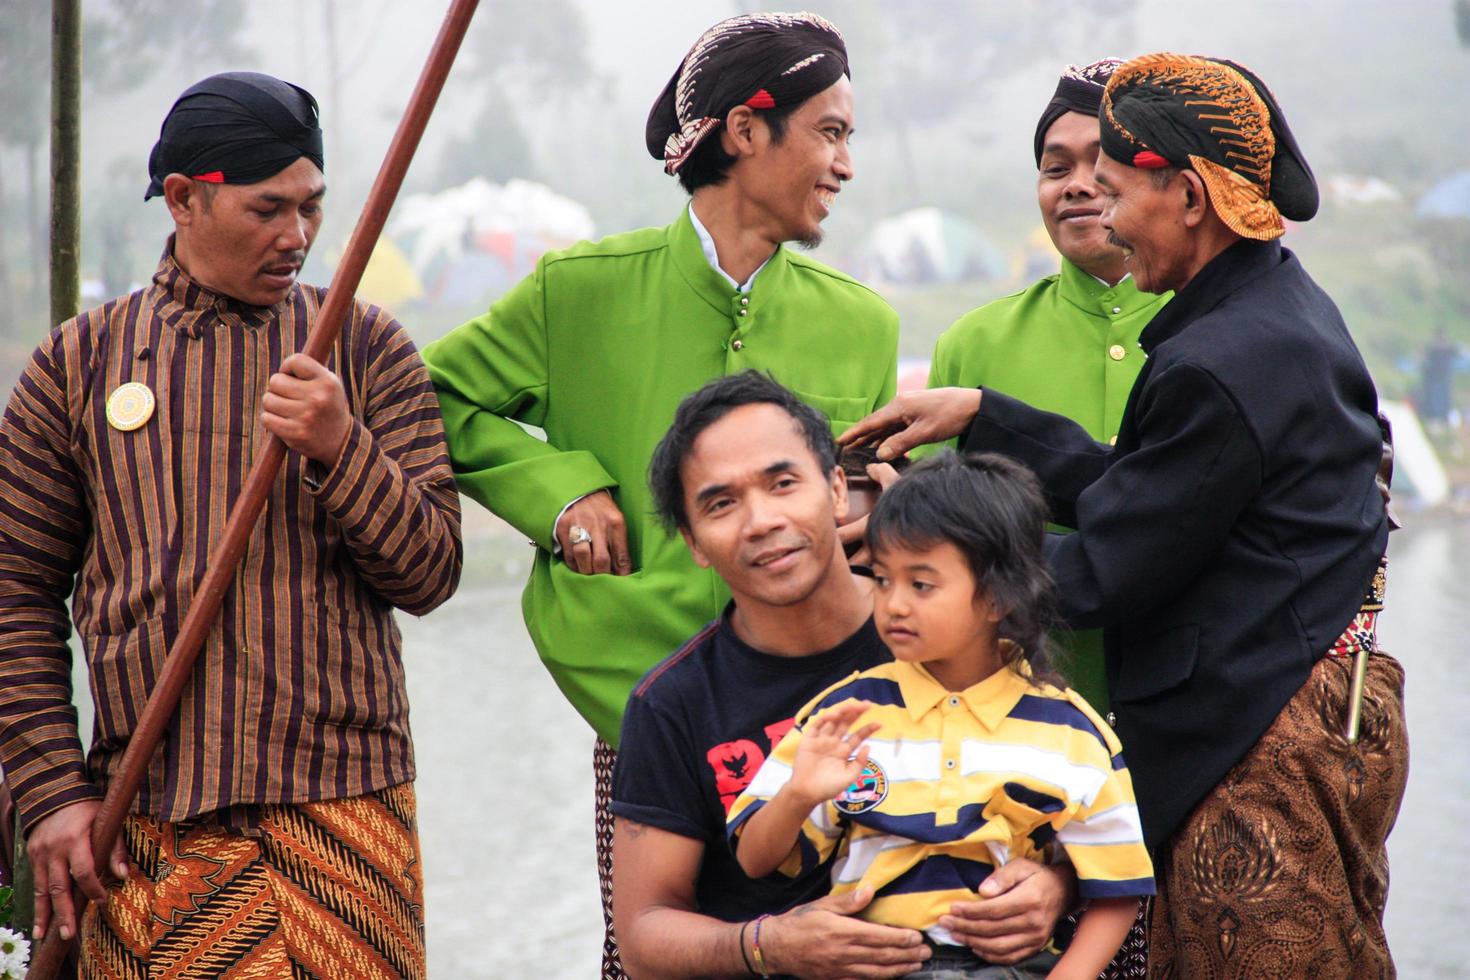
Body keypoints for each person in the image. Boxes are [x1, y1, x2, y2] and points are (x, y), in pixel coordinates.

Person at [840, 54, 1408, 977]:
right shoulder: (1276, 307)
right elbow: (1158, 494)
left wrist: (920, 564)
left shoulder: (1221, 361)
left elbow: (1109, 565)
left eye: (1113, 191)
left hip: (1261, 737)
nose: (1101, 215)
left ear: (1187, 194)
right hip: (1321, 705)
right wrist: (987, 416)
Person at [420, 13, 898, 976]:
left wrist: (876, 501)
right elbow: (430, 393)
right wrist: (561, 493)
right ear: (745, 131)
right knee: (655, 956)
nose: (846, 163)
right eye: (830, 133)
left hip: (838, 733)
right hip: (648, 723)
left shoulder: (863, 322)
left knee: (866, 947)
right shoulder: (579, 290)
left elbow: (877, 506)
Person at [0, 72, 461, 979]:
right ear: (183, 200)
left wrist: (340, 445)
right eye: (268, 209)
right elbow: (13, 600)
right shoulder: (75, 366)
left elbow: (432, 572)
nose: (296, 237)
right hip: (151, 821)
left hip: (348, 816)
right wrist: (53, 794)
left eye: (313, 208)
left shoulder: (364, 347)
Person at [612, 373, 1075, 979]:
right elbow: (644, 934)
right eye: (720, 504)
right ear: (694, 542)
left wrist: (1054, 889)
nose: (761, 521)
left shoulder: (961, 635)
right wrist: (768, 945)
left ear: (835, 487)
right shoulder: (672, 703)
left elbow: (1085, 817)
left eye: (783, 483)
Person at [729, 452, 1153, 979]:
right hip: (864, 966)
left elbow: (1119, 886)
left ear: (999, 597)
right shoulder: (845, 713)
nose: (894, 605)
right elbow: (754, 860)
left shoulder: (1071, 731)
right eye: (883, 580)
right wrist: (798, 794)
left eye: (921, 584)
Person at [927, 57, 1169, 719]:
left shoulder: (1218, 332)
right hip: (1017, 735)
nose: (1077, 187)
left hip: (1199, 738)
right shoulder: (973, 345)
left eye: (1102, 163)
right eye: (1055, 167)